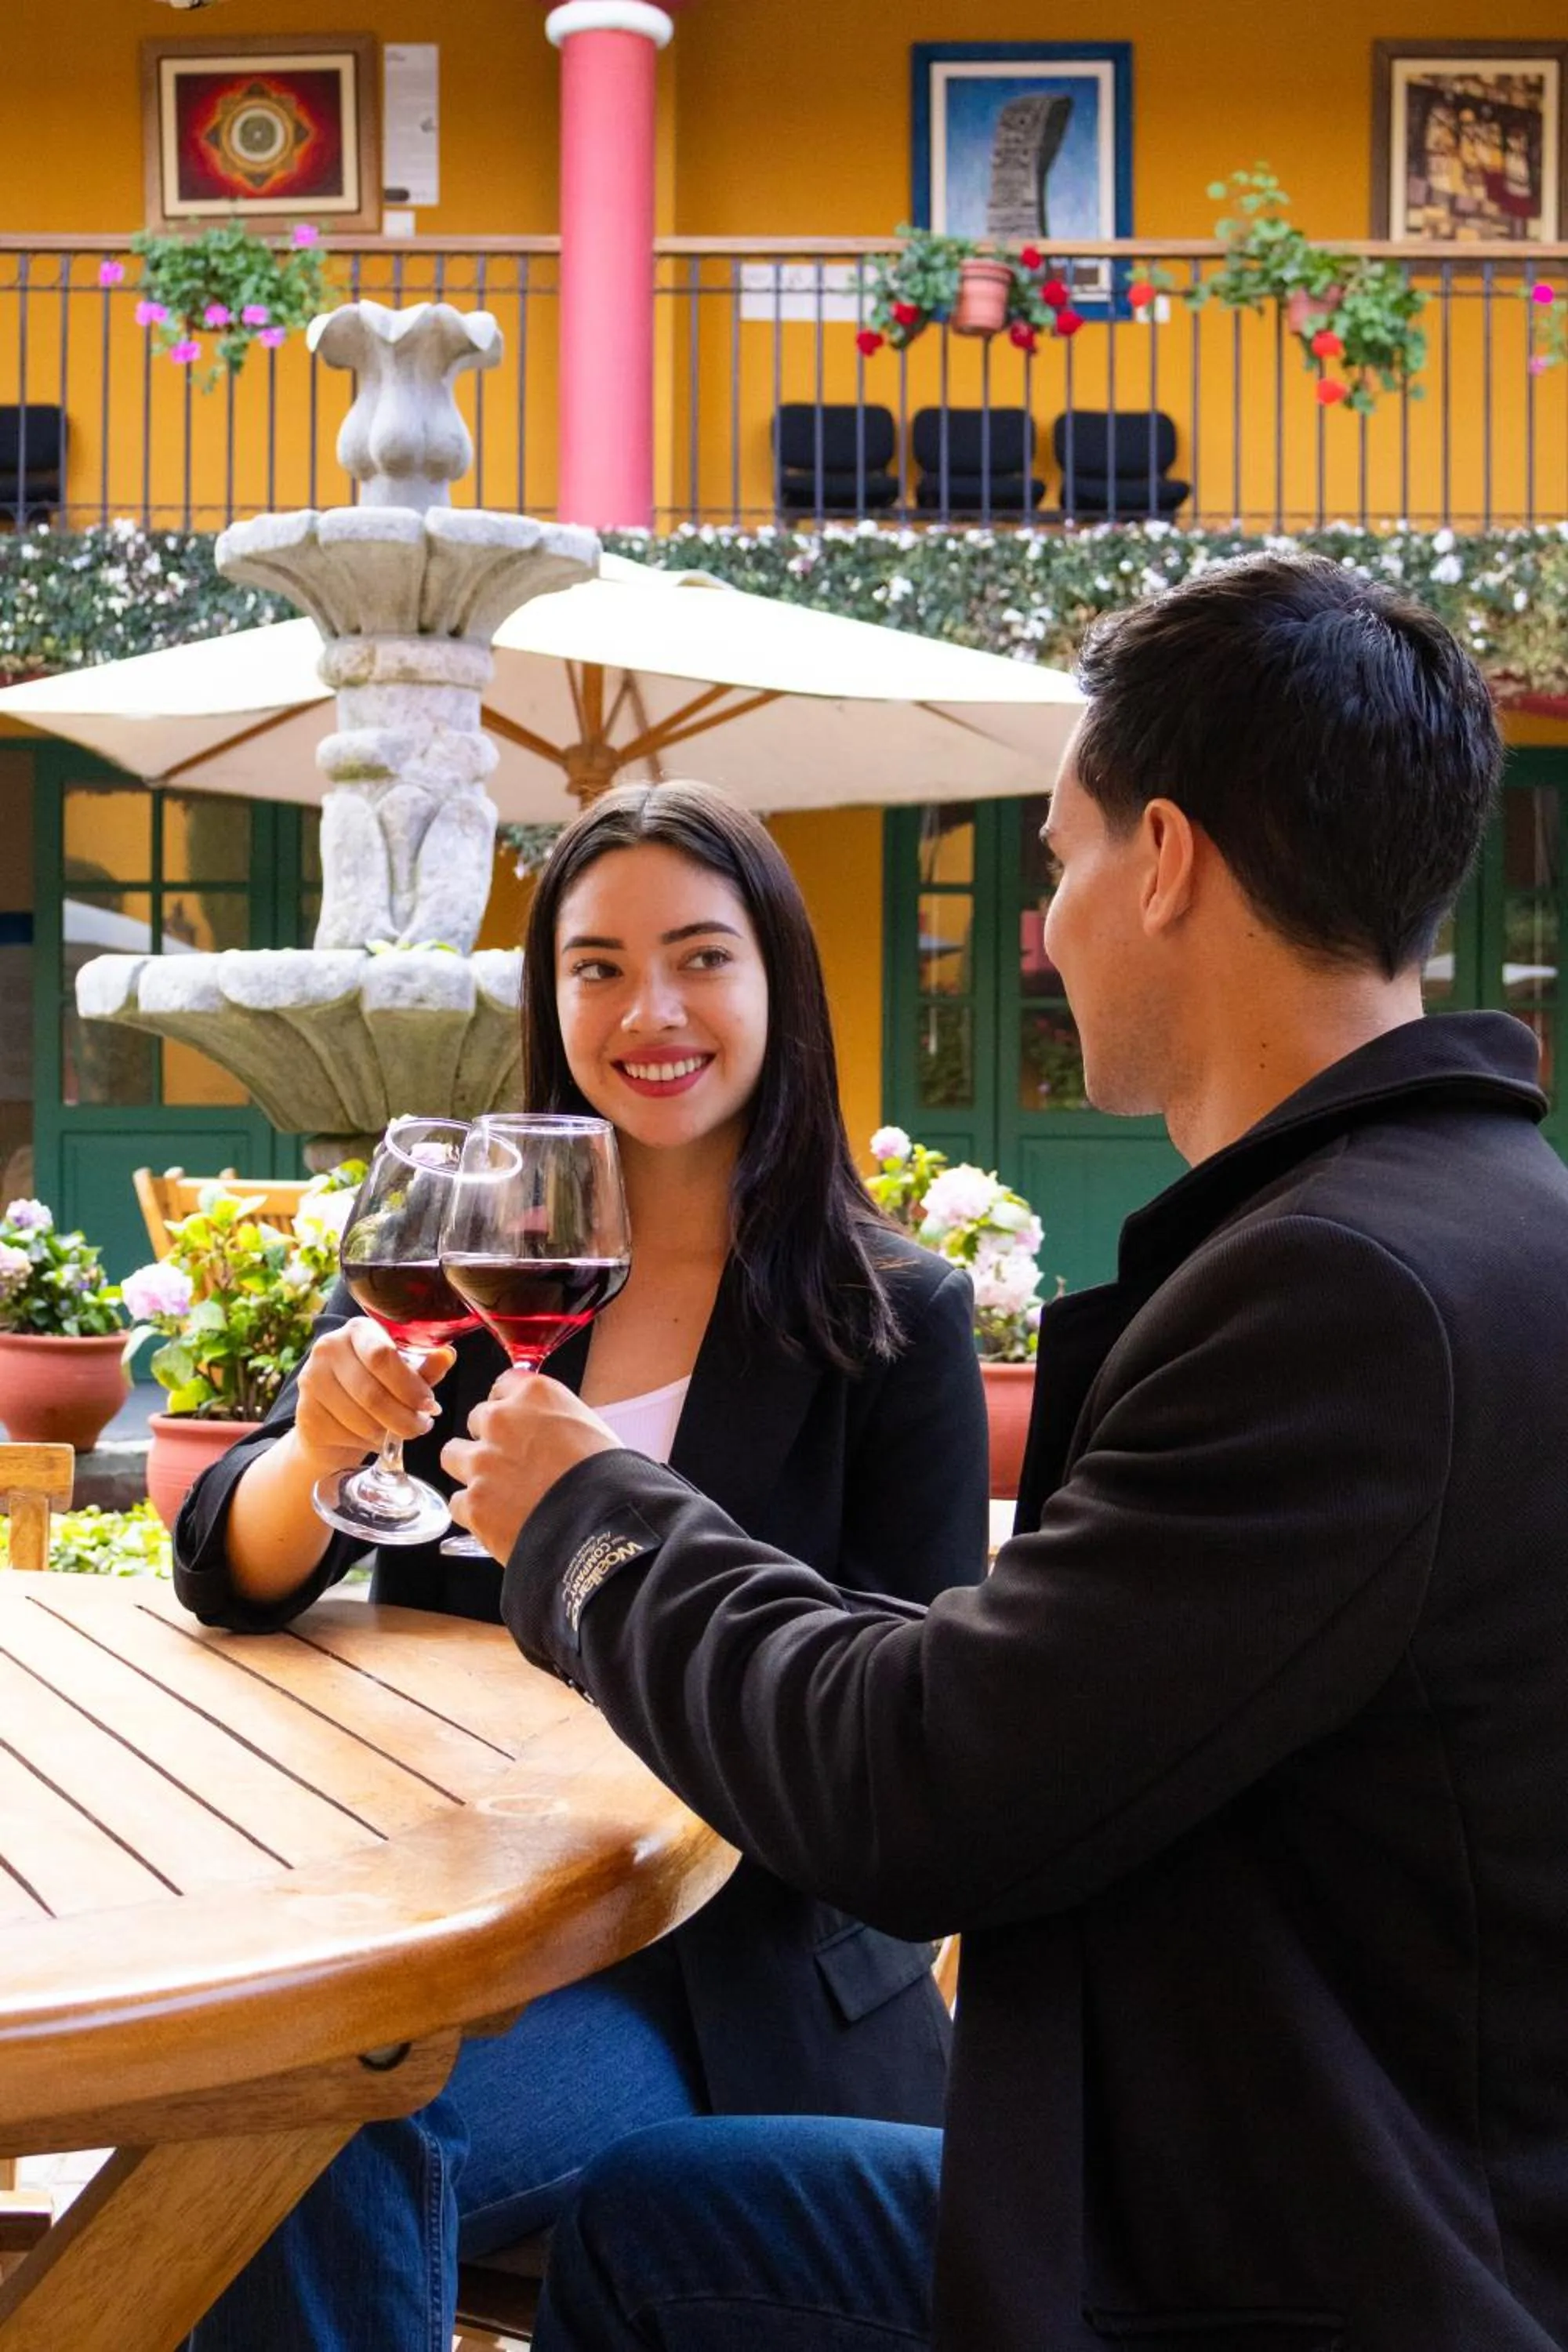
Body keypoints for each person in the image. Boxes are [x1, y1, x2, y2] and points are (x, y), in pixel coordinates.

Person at [447, 553, 1568, 2351]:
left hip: (1295, 2265)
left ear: (1170, 861)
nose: (1045, 921)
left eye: (1057, 858)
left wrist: (590, 1522)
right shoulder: (1465, 1225)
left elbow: (920, 1786)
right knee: (664, 2227)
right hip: (1292, 2174)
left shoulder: (1343, 1297)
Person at [172, 781, 988, 2352]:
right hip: (422, 1923)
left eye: (699, 957)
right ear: (549, 1000)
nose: (650, 1009)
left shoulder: (893, 1316)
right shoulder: (479, 1250)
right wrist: (315, 1454)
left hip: (704, 1971)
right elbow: (228, 1567)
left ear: (776, 987)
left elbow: (896, 1721)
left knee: (304, 2126)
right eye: (598, 966)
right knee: (257, 2086)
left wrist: (605, 1538)